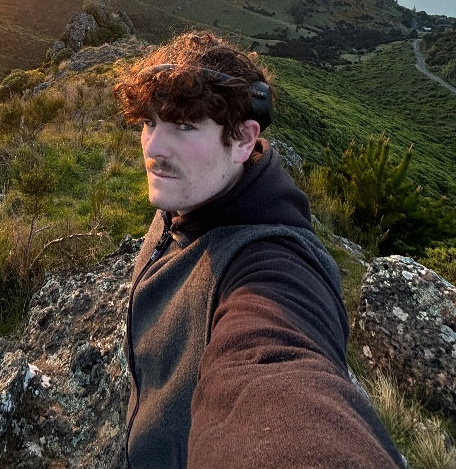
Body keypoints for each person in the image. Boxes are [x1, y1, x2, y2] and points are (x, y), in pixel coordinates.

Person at [113, 31, 404, 468]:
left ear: (244, 140)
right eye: (150, 123)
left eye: (185, 126)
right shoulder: (194, 196)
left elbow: (278, 375)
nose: (153, 147)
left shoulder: (273, 267)